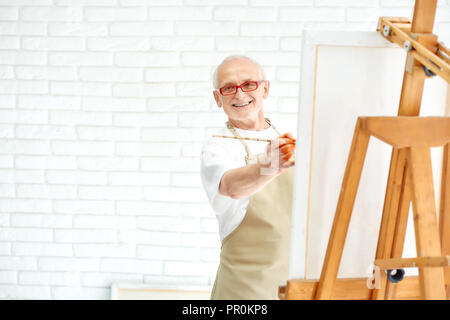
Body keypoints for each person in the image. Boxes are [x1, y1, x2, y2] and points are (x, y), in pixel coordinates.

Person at [200, 55, 296, 300]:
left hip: (294, 283)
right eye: (229, 87)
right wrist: (268, 166)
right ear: (217, 98)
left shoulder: (289, 138)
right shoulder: (217, 146)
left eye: (249, 84)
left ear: (265, 89)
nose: (239, 94)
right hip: (244, 289)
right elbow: (230, 186)